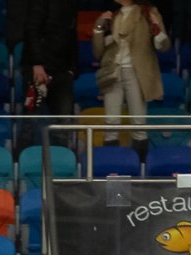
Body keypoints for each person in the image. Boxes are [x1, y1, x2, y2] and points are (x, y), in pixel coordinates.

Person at [92, 0, 170, 147]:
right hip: (113, 71)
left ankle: (140, 160)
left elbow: (164, 46)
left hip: (137, 72)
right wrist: (99, 27)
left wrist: (156, 29)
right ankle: (112, 160)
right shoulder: (113, 15)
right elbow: (98, 52)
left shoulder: (148, 12)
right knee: (111, 125)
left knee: (138, 124)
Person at [22, 0, 79, 141]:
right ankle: (25, 154)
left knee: (63, 123)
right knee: (31, 122)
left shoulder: (70, 4)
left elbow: (72, 35)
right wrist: (37, 64)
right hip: (38, 70)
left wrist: (72, 69)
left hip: (63, 71)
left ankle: (62, 155)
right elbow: (32, 30)